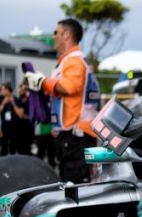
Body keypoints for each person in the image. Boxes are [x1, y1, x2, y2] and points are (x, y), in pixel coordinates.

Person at [24, 18, 100, 183]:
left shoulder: (73, 61)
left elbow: (69, 87)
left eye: (56, 32)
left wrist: (42, 82)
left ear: (67, 35)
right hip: (72, 137)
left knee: (75, 188)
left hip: (76, 138)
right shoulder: (69, 61)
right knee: (70, 184)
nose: (53, 36)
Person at [0, 82, 20, 156]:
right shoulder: (0, 99)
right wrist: (4, 103)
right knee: (3, 147)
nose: (0, 91)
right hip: (4, 127)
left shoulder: (16, 99)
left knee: (13, 147)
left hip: (14, 127)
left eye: (2, 89)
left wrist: (13, 103)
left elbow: (19, 113)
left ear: (7, 90)